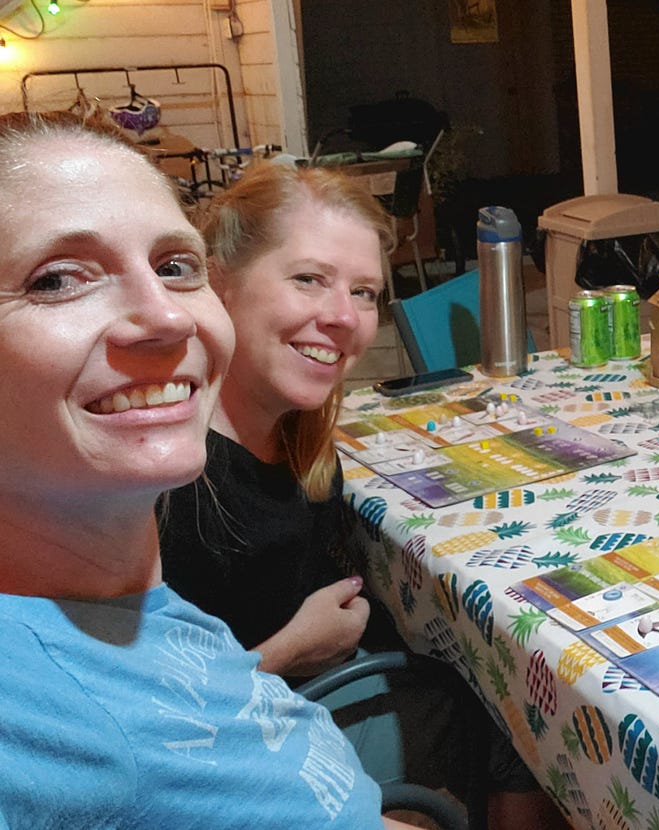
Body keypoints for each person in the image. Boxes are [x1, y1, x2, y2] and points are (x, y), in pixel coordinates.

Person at [0, 111, 417, 827]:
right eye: (58, 279)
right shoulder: (49, 716)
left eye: (173, 267)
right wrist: (291, 650)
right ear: (230, 287)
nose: (165, 317)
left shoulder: (136, 585)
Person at [161, 160, 567, 830]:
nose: (343, 317)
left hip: (320, 687)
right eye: (308, 279)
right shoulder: (171, 477)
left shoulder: (296, 431)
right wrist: (290, 648)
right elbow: (147, 720)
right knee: (523, 715)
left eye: (364, 292)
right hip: (248, 748)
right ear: (220, 279)